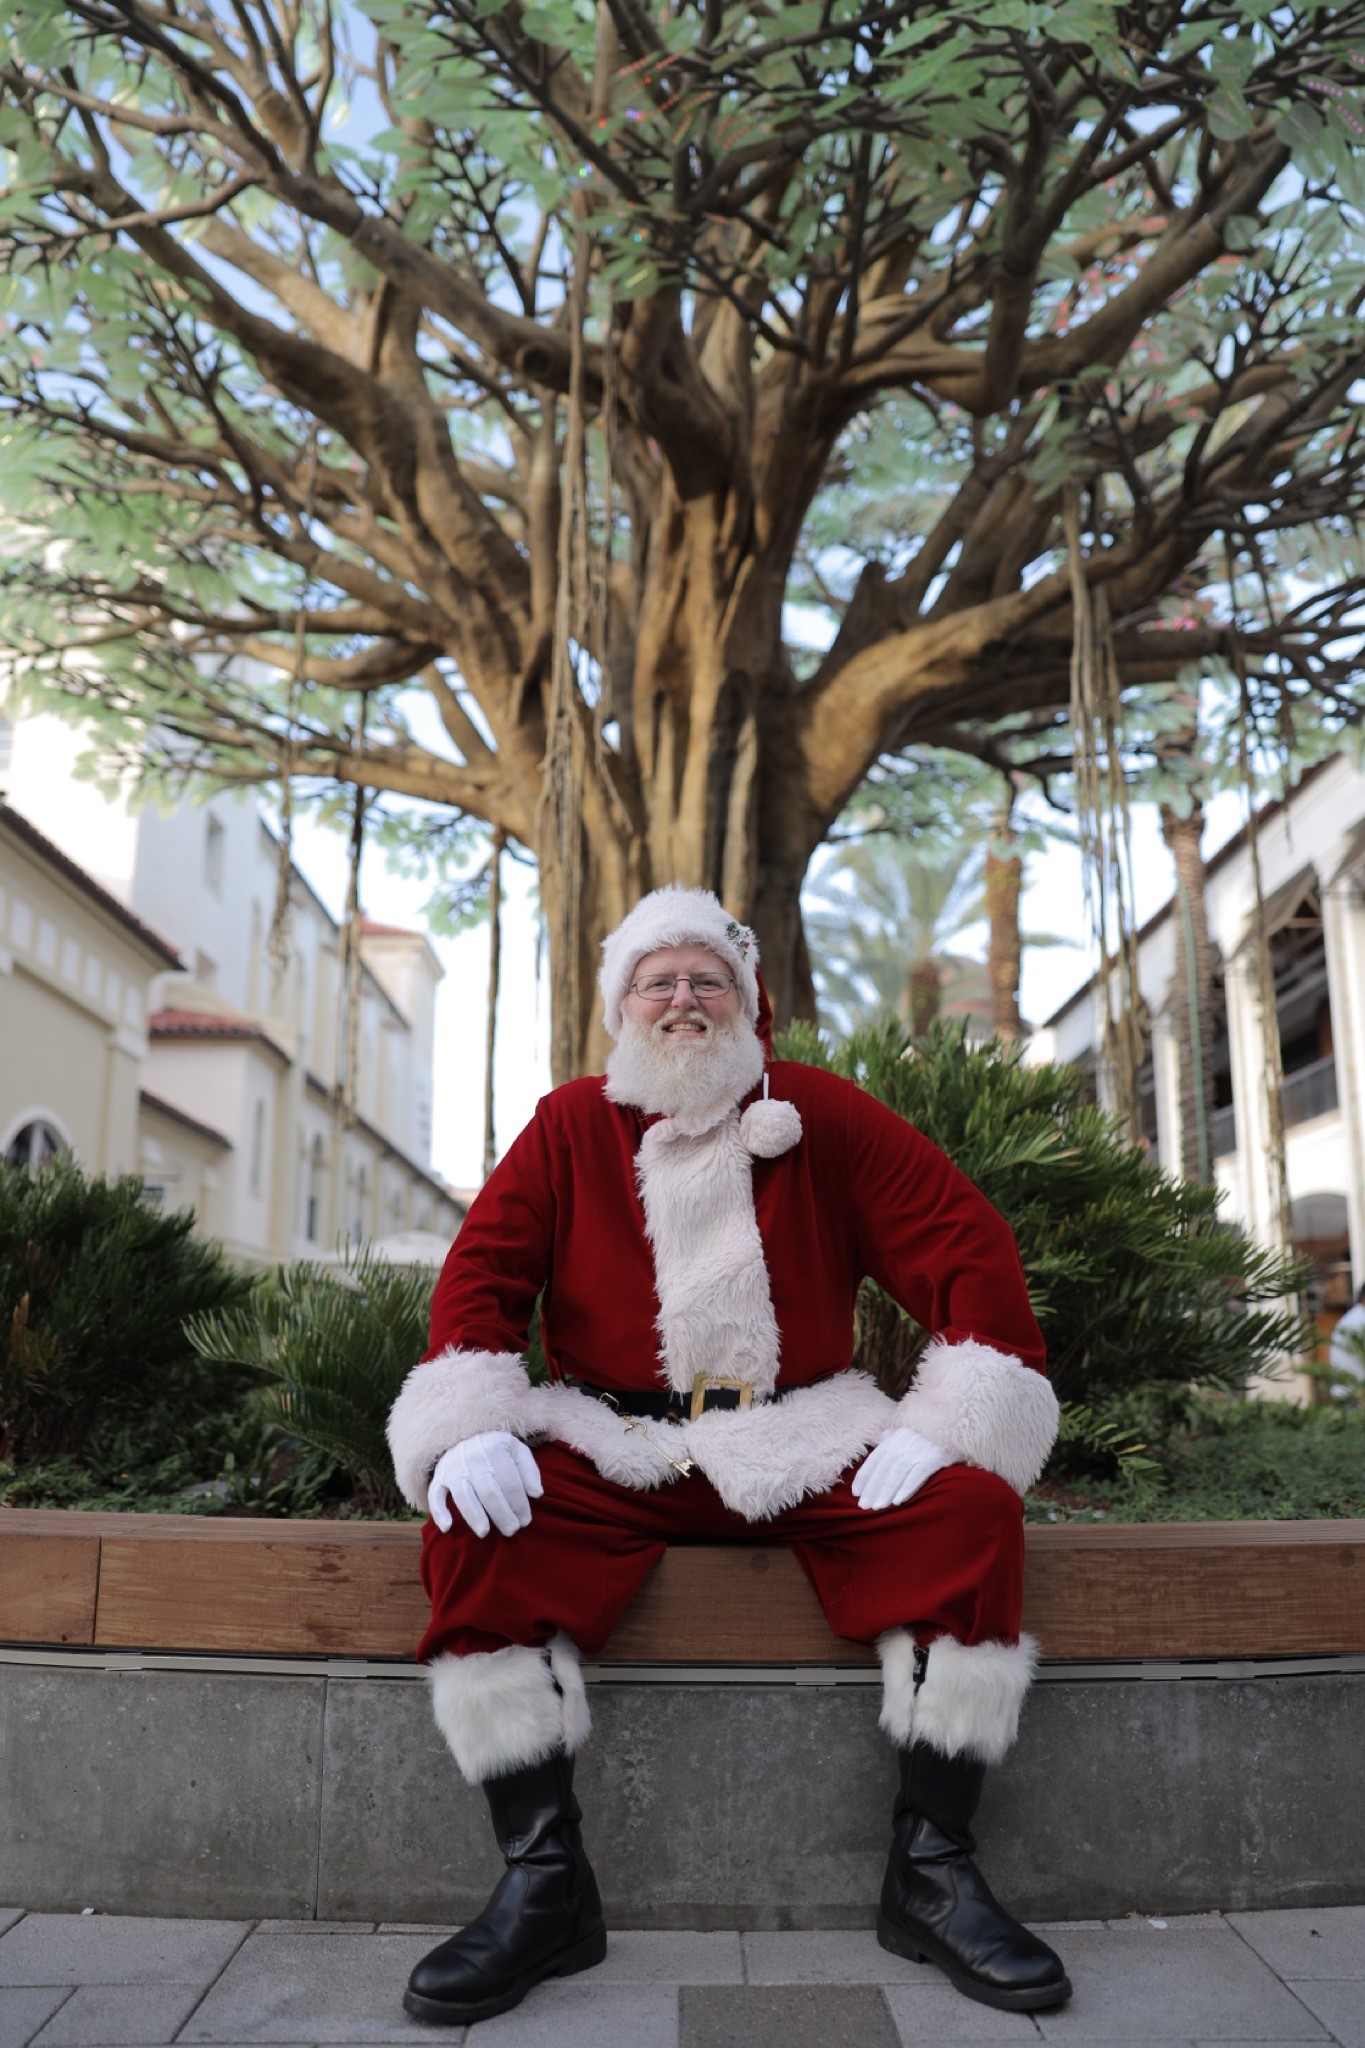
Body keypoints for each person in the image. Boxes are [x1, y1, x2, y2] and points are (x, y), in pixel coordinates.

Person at [387, 885, 1072, 2027]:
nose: (682, 999)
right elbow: (482, 1274)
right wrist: (466, 1420)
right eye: (656, 980)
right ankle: (545, 1886)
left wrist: (953, 1419)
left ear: (749, 1001)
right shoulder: (567, 1125)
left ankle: (933, 1873)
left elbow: (963, 1240)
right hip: (618, 1439)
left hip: (802, 1432)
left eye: (707, 978)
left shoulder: (823, 1113)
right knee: (479, 1525)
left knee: (967, 1514)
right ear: (621, 1007)